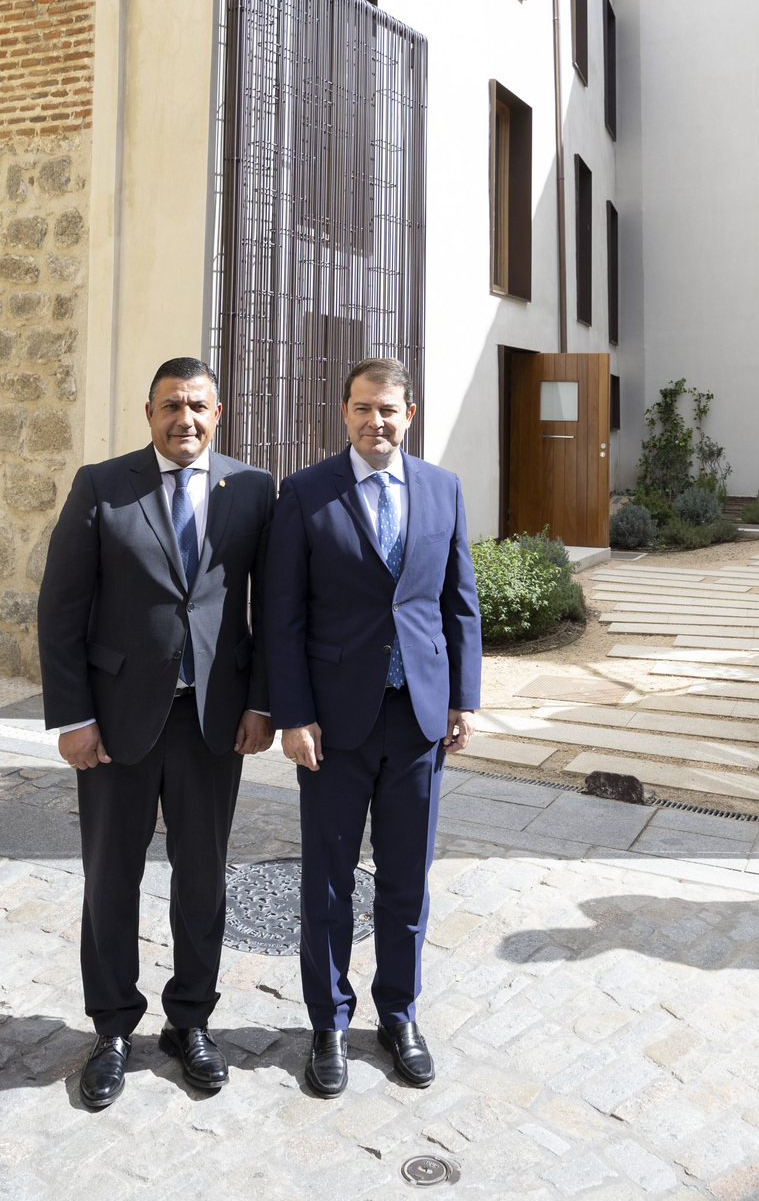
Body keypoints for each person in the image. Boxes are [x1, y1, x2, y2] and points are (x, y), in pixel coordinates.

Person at [37, 356, 274, 1110]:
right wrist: (73, 718)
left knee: (202, 882)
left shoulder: (254, 492)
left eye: (198, 406)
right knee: (112, 880)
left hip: (211, 722)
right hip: (114, 724)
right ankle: (111, 1028)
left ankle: (191, 1022)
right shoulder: (102, 485)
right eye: (171, 405)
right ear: (149, 413)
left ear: (219, 410)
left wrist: (261, 704)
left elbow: (270, 612)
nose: (186, 419)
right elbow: (61, 609)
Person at [263, 356, 482, 1098]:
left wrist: (464, 697)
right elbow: (282, 617)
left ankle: (398, 1013)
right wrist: (293, 715)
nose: (374, 422)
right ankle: (327, 1021)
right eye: (362, 408)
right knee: (327, 884)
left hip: (418, 719)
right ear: (345, 412)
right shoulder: (305, 493)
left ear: (408, 414)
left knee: (406, 881)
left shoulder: (443, 489)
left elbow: (459, 605)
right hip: (333, 726)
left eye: (388, 410)